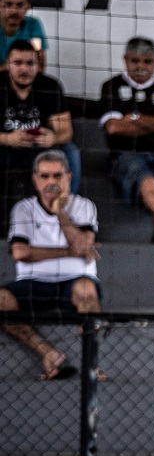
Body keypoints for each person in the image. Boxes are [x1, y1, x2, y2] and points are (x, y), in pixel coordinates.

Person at [1, 149, 100, 380]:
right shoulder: (24, 208)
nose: (51, 182)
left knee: (86, 290)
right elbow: (19, 252)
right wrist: (69, 251)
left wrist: (59, 212)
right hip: (32, 283)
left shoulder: (84, 206)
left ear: (68, 178)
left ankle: (91, 365)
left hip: (75, 281)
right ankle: (50, 354)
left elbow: (84, 246)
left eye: (57, 176)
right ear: (35, 179)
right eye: (44, 176)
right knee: (1, 299)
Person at [99, 37, 154, 244]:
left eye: (147, 61)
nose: (140, 66)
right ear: (126, 60)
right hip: (126, 155)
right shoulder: (112, 87)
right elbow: (113, 128)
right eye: (135, 61)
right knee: (146, 178)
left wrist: (134, 119)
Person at [0, 39, 73, 219]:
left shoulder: (50, 86)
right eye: (18, 63)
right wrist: (8, 139)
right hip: (3, 148)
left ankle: (64, 209)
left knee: (71, 152)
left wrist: (52, 138)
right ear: (7, 64)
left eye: (30, 63)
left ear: (38, 65)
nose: (24, 69)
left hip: (38, 151)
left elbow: (66, 131)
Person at [0, 0, 47, 72]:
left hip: (23, 81)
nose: (14, 11)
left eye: (20, 5)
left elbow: (39, 66)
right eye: (8, 5)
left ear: (28, 7)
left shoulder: (33, 26)